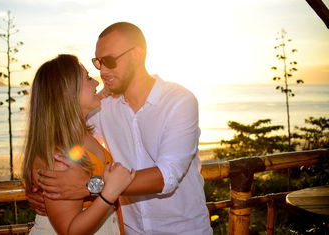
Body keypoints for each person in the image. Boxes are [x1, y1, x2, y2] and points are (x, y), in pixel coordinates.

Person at [28, 22, 213, 234]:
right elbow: (57, 129)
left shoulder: (178, 101)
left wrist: (89, 184)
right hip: (129, 230)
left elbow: (167, 176)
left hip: (183, 230)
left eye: (109, 61)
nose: (102, 72)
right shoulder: (102, 108)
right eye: (98, 63)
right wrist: (39, 186)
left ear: (136, 54)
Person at [22, 54, 135, 235]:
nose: (96, 84)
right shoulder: (59, 156)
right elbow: (70, 230)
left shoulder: (82, 133)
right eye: (88, 78)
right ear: (67, 92)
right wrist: (109, 194)